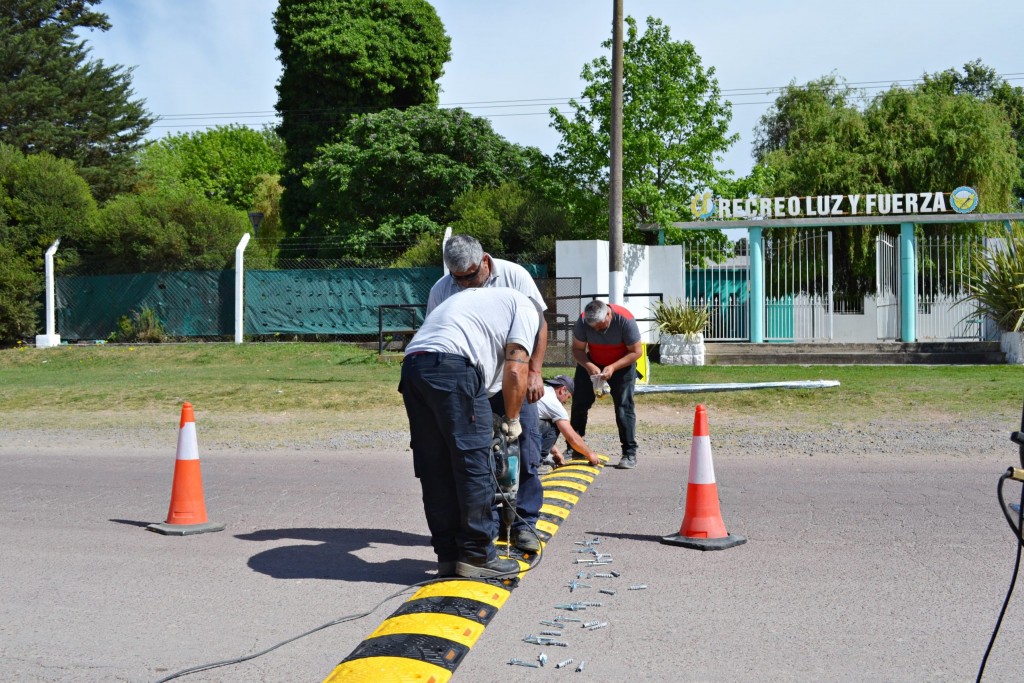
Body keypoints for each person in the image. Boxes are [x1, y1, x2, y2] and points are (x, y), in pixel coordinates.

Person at [400, 287, 539, 579]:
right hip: (454, 367)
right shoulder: (526, 309)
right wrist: (512, 421)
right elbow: (515, 370)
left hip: (414, 365)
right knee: (473, 464)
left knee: (435, 466)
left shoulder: (472, 302)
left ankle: (449, 556)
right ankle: (477, 555)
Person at [426, 235, 548, 553]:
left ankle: (525, 524)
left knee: (525, 447)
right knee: (479, 455)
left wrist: (534, 371)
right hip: (471, 384)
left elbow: (539, 325)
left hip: (513, 374)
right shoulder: (441, 290)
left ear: (485, 261)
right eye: (458, 277)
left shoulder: (514, 276)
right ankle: (490, 525)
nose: (464, 283)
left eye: (470, 275)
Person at [570, 299, 643, 470]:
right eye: (593, 327)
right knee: (580, 403)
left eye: (601, 326)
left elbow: (636, 352)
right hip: (593, 363)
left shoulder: (625, 319)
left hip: (622, 365)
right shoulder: (582, 321)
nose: (597, 330)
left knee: (624, 406)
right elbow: (577, 350)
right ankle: (574, 448)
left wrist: (613, 367)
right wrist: (589, 366)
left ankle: (629, 452)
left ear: (609, 314)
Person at [535, 374, 601, 474]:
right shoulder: (554, 404)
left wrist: (555, 451)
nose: (566, 402)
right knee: (555, 425)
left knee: (548, 423)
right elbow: (572, 438)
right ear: (563, 390)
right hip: (524, 430)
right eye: (568, 397)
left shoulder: (543, 391)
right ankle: (535, 463)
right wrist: (590, 454)